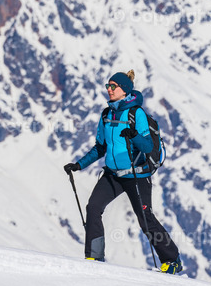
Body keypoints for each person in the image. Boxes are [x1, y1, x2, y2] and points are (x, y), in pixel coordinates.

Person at [64, 70, 183, 274]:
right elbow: (100, 147)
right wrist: (79, 165)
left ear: (125, 90)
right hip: (113, 174)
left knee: (145, 219)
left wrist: (134, 135)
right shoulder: (106, 114)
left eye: (113, 87)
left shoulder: (136, 114)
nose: (109, 90)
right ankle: (94, 256)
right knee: (93, 207)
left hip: (137, 175)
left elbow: (147, 147)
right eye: (107, 86)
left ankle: (172, 261)